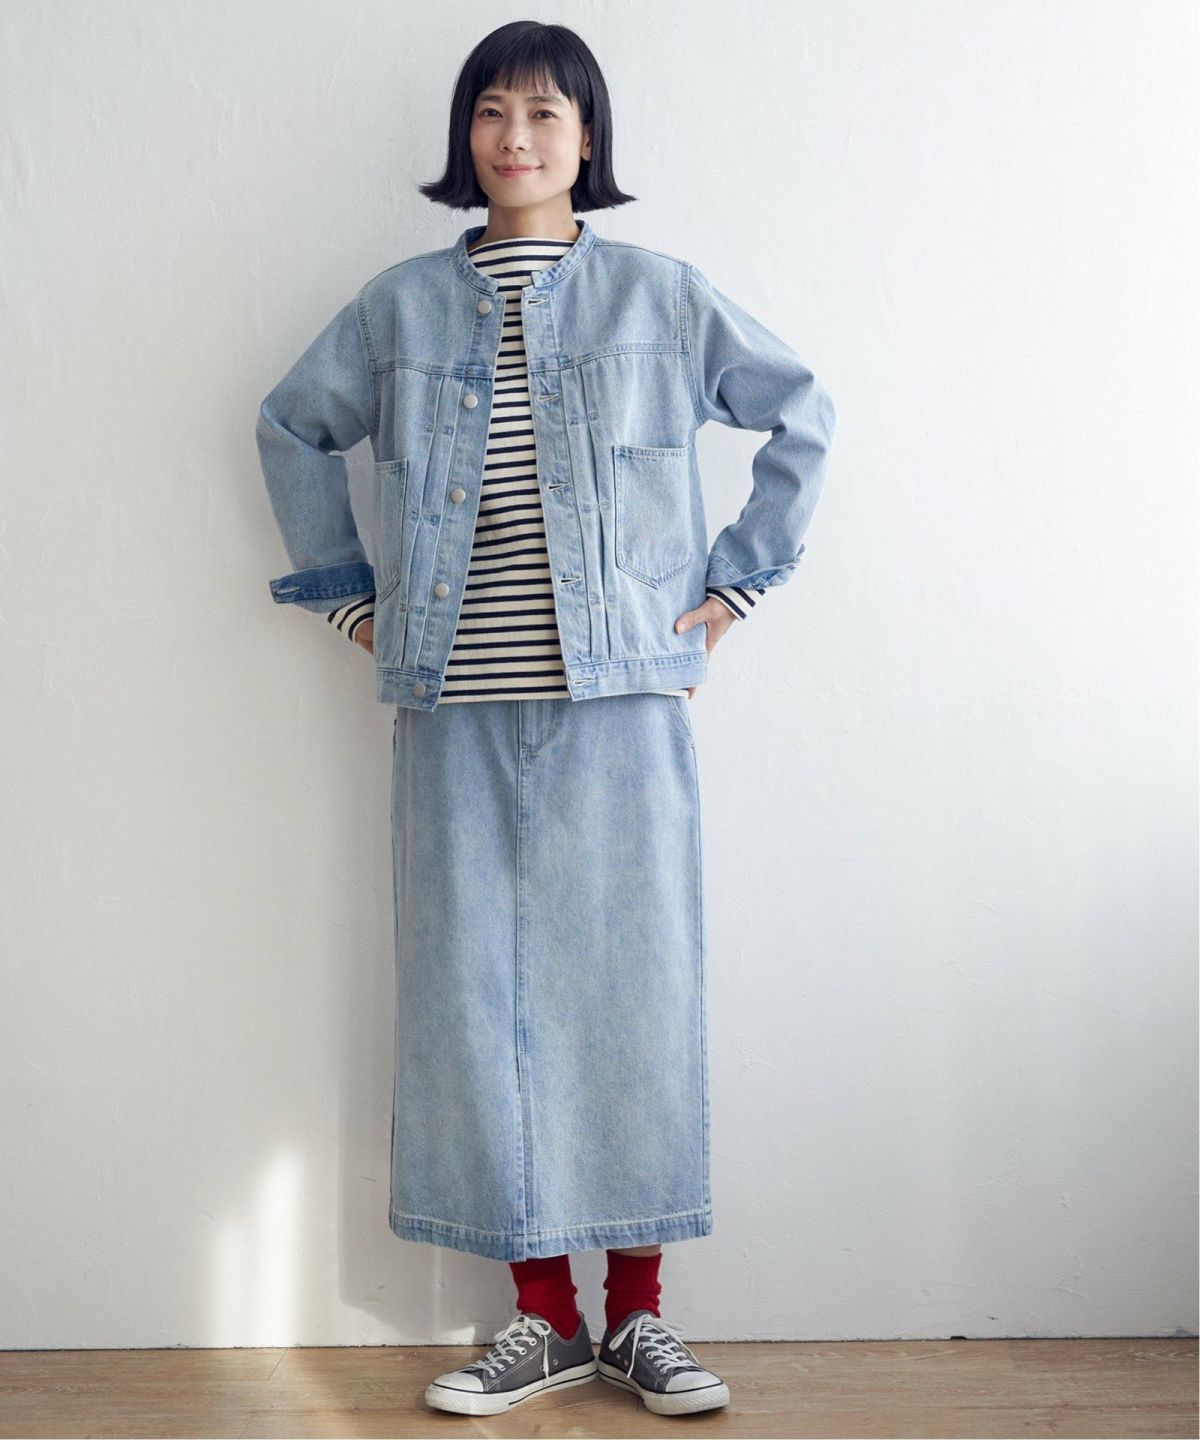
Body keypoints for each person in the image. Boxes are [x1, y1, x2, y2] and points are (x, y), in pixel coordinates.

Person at [256, 19, 836, 1419]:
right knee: (474, 1003)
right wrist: (346, 598)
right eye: (492, 113)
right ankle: (542, 1319)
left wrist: (734, 585)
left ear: (588, 138)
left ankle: (638, 1317)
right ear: (466, 136)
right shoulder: (399, 307)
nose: (516, 138)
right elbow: (290, 426)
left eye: (545, 114)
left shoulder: (660, 296)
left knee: (632, 993)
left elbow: (801, 413)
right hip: (452, 704)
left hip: (623, 696)